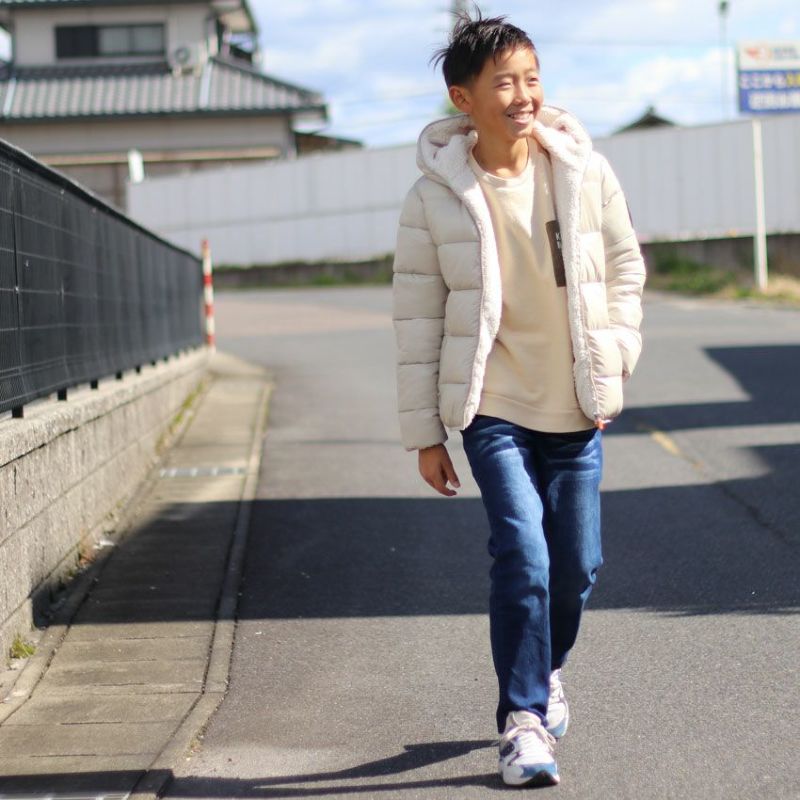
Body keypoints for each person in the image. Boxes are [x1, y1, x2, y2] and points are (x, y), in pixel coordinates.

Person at [391, 9, 646, 789]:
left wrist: (617, 354)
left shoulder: (583, 171)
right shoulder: (435, 196)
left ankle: (544, 667)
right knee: (523, 555)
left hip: (575, 403)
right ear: (463, 99)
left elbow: (625, 268)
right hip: (492, 405)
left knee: (577, 566)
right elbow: (417, 317)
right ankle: (523, 722)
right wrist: (426, 433)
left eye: (532, 78)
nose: (524, 94)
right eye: (504, 82)